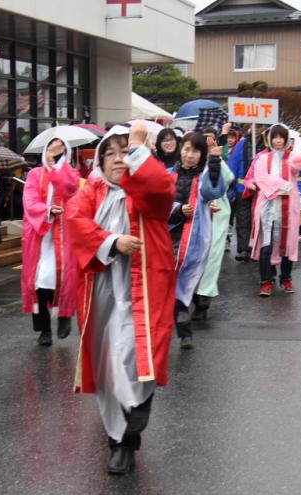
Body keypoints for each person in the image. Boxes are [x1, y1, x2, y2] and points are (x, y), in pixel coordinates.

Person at [66, 123, 176, 476]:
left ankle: (138, 406)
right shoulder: (92, 191)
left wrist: (139, 151)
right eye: (109, 153)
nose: (116, 160)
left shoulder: (144, 188)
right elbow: (74, 221)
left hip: (141, 289)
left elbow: (159, 190)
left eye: (123, 151)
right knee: (105, 361)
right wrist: (113, 242)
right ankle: (120, 442)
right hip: (102, 289)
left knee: (130, 352)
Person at [170, 132, 227, 349]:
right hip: (169, 234)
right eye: (186, 149)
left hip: (194, 238)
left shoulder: (202, 177)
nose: (189, 155)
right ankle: (181, 318)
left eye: (195, 151)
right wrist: (177, 211)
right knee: (171, 281)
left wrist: (214, 160)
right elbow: (158, 203)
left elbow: (213, 190)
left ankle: (183, 319)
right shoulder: (168, 175)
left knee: (185, 280)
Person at [21, 137, 80, 346]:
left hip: (64, 235)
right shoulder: (35, 174)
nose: (54, 153)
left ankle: (64, 315)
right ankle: (44, 329)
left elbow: (70, 190)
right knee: (38, 282)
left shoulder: (71, 174)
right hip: (39, 234)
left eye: (60, 150)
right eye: (51, 149)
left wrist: (57, 166)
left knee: (62, 278)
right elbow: (29, 201)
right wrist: (47, 211)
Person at [249, 124, 301, 297]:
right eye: (274, 137)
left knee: (287, 244)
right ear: (269, 139)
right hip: (268, 206)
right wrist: (283, 186)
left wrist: (298, 143)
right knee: (266, 243)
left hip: (287, 207)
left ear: (286, 140)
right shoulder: (263, 159)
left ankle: (286, 277)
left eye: (281, 137)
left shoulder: (291, 158)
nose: (277, 141)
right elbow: (260, 178)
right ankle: (266, 281)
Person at [194, 136, 235, 320]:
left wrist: (216, 158)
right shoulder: (192, 164)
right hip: (195, 216)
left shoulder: (218, 162)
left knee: (211, 258)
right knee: (194, 259)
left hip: (217, 216)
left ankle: (203, 300)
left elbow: (228, 178)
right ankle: (193, 297)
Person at [229, 124, 266, 261]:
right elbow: (233, 164)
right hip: (242, 188)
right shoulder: (242, 144)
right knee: (243, 219)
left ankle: (259, 247)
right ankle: (243, 248)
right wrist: (232, 185)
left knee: (261, 219)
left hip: (262, 189)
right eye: (254, 126)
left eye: (260, 126)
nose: (257, 129)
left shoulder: (267, 143)